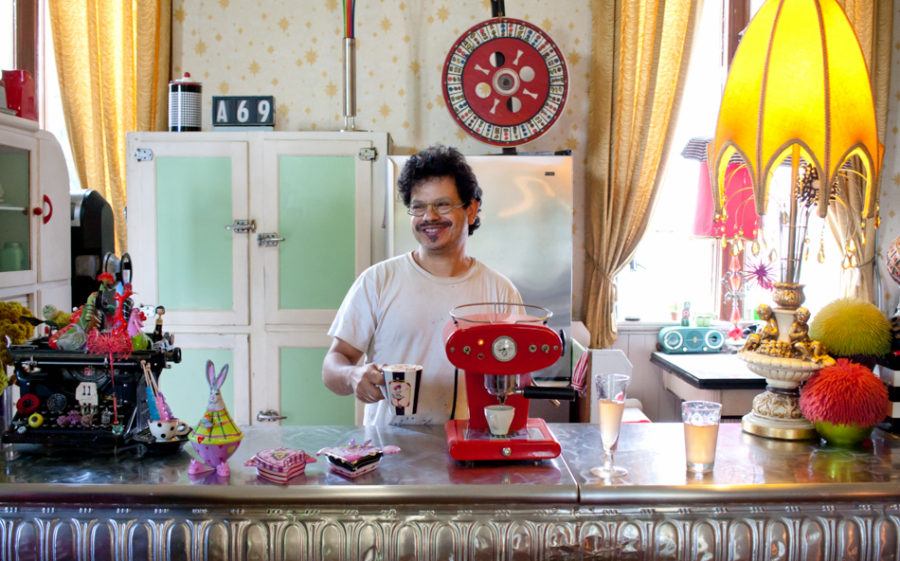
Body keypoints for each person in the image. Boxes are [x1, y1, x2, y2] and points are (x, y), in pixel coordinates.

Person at [322, 144, 522, 425]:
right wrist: (352, 375)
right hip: (390, 446)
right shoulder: (378, 281)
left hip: (470, 443)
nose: (429, 217)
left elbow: (518, 373)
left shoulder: (499, 291)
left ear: (471, 209)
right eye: (418, 207)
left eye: (442, 204)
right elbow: (332, 366)